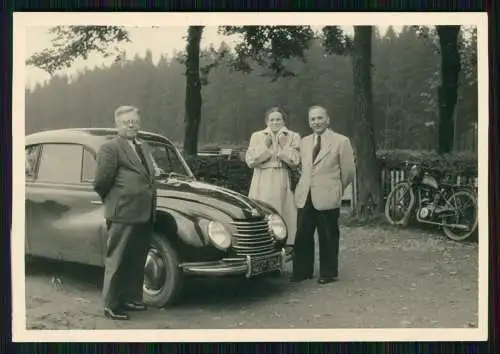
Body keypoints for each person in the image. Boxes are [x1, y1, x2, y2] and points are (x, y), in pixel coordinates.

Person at [93, 105, 157, 320]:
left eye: (134, 121)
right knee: (117, 259)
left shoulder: (143, 146)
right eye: (126, 122)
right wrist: (114, 201)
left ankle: (130, 298)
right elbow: (101, 182)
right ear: (117, 125)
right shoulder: (110, 148)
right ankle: (111, 305)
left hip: (144, 212)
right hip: (122, 212)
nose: (131, 125)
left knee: (136, 258)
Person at [291, 105, 355, 284]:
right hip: (305, 195)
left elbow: (349, 171)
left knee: (327, 235)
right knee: (303, 234)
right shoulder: (304, 142)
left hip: (327, 195)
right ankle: (302, 271)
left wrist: (336, 189)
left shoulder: (341, 141)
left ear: (328, 120)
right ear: (309, 122)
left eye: (320, 118)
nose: (316, 122)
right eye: (313, 119)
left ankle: (328, 273)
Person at [245, 107, 301, 246]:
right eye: (272, 119)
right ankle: (261, 243)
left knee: (284, 213)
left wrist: (283, 147)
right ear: (266, 121)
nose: (275, 122)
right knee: (263, 212)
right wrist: (265, 147)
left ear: (284, 121)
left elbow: (295, 161)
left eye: (278, 119)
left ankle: (284, 244)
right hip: (262, 179)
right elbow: (251, 161)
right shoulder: (257, 136)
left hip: (282, 178)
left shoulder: (293, 136)